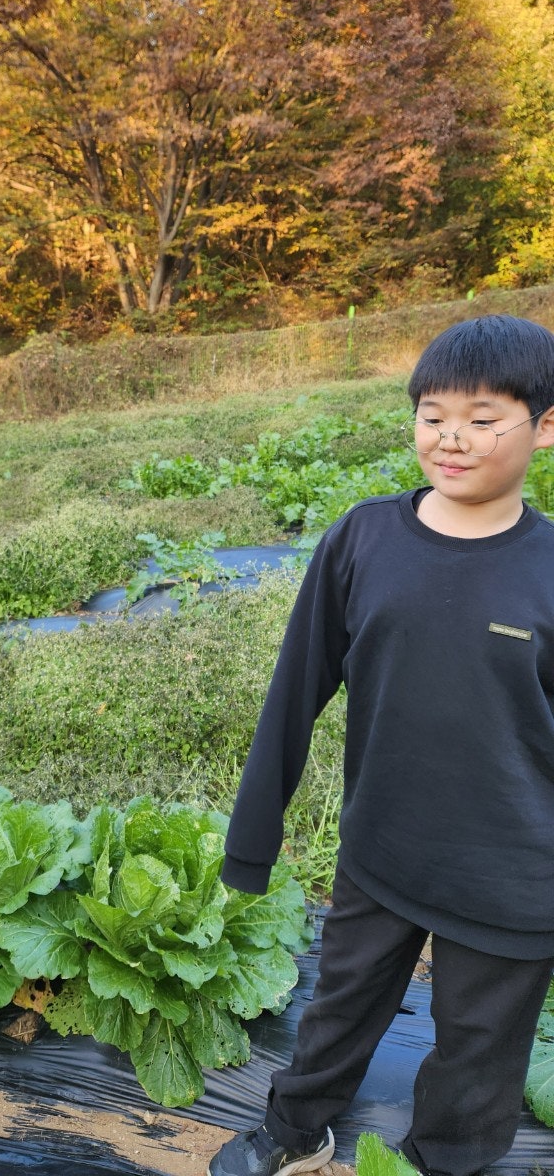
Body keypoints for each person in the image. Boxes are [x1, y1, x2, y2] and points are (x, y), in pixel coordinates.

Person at [209, 314, 554, 1176]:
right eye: (432, 414)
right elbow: (296, 692)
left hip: (515, 872)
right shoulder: (364, 538)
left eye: (483, 419)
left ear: (545, 428)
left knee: (479, 1051)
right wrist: (251, 842)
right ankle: (296, 1129)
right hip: (382, 843)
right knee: (341, 1002)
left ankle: (444, 1161)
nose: (452, 438)